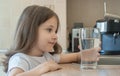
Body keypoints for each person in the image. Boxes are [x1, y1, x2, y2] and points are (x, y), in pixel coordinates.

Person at [3, 5, 101, 76]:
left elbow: (73, 57)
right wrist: (43, 68)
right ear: (30, 30)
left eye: (55, 31)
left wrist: (84, 55)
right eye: (49, 30)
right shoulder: (20, 59)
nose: (55, 36)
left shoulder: (46, 56)